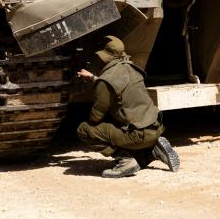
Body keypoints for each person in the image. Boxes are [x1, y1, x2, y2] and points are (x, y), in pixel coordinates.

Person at [75, 36, 180, 178]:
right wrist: (94, 78)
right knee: (123, 120)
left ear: (105, 57)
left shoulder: (106, 82)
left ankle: (125, 161)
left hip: (137, 135)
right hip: (156, 127)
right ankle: (153, 148)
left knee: (85, 129)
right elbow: (115, 84)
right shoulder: (133, 69)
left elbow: (95, 117)